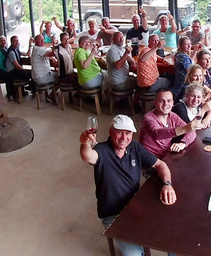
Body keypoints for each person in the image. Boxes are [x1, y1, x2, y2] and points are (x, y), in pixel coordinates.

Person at [80, 114, 176, 256]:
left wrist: (167, 184)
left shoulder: (135, 147)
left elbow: (160, 164)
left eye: (128, 133)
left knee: (169, 236)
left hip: (135, 206)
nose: (124, 137)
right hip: (112, 214)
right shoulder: (102, 150)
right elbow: (88, 156)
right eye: (119, 132)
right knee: (134, 254)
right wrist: (84, 143)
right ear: (110, 131)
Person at [139, 88, 200, 159]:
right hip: (149, 159)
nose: (166, 104)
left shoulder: (172, 116)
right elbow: (156, 133)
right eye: (161, 101)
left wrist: (183, 143)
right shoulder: (148, 118)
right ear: (155, 102)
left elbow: (191, 131)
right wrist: (185, 129)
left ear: (172, 103)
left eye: (169, 101)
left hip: (167, 156)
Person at [0, 35, 13, 101]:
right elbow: (0, 65)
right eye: (2, 40)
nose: (3, 42)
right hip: (2, 70)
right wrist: (7, 70)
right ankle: (10, 95)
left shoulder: (7, 49)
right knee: (8, 77)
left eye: (4, 40)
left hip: (7, 68)